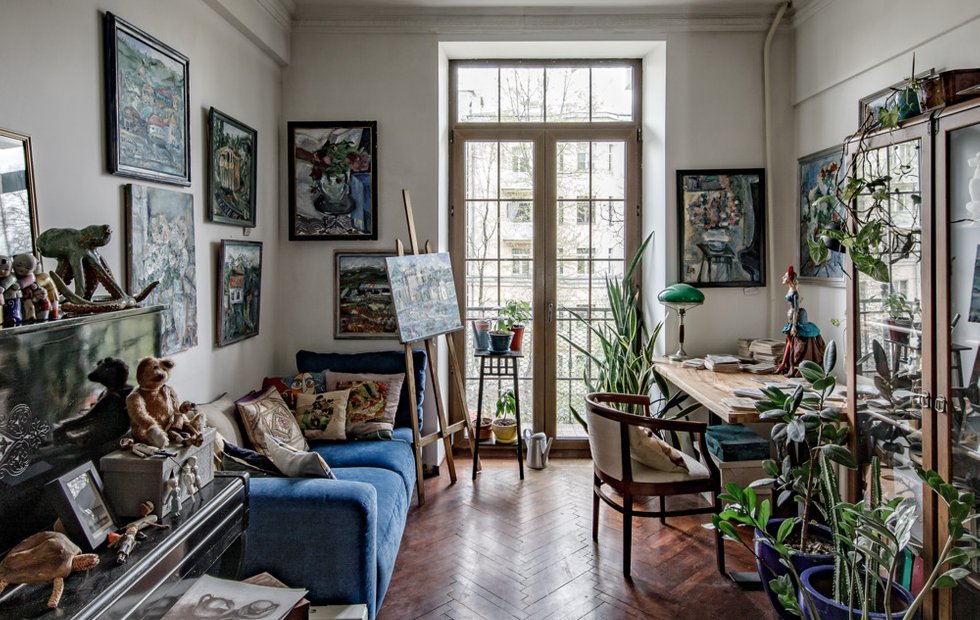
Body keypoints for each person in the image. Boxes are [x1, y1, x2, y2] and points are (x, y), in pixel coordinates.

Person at [776, 265, 826, 376]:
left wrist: (794, 325)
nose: (783, 278)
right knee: (789, 340)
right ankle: (784, 363)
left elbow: (796, 309)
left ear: (789, 279)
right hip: (791, 316)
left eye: (785, 276)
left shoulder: (794, 293)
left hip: (797, 317)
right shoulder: (791, 290)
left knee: (793, 340)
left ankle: (789, 364)